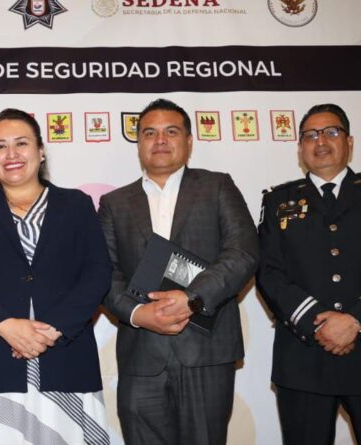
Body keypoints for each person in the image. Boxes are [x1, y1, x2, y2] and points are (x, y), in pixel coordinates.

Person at [0, 108, 112, 445]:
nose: (11, 154)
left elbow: (97, 273)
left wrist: (51, 330)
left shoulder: (76, 205)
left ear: (41, 151)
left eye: (21, 143)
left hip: (63, 358)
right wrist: (6, 326)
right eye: (0, 146)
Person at [256, 103, 361, 444]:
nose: (320, 141)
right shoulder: (277, 201)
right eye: (310, 135)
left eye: (331, 132)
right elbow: (267, 271)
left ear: (349, 142)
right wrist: (318, 323)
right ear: (300, 148)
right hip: (304, 359)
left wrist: (357, 320)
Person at [99, 98, 258, 445]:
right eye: (149, 133)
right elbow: (104, 272)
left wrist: (192, 299)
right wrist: (139, 314)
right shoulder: (114, 203)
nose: (159, 140)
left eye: (171, 132)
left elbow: (243, 252)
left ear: (188, 141)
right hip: (141, 355)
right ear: (138, 143)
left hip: (206, 353)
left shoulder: (218, 186)